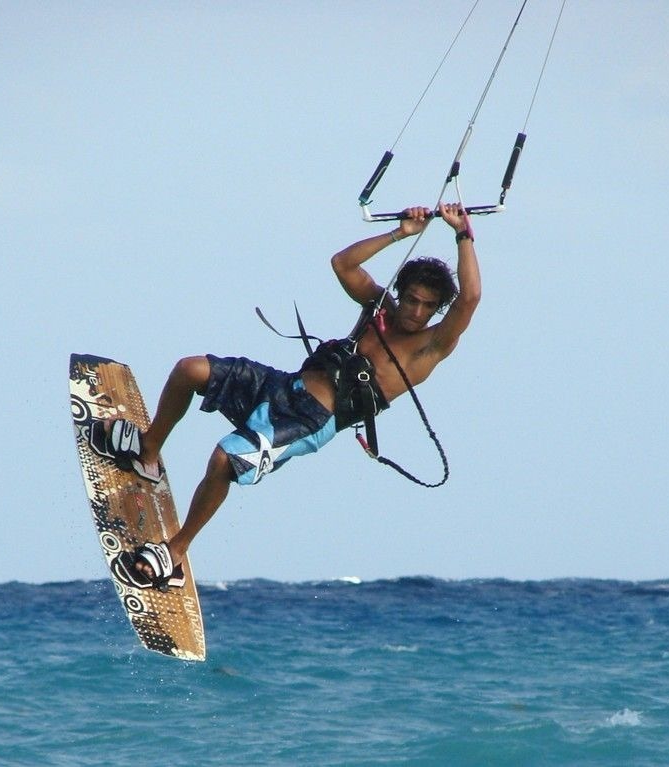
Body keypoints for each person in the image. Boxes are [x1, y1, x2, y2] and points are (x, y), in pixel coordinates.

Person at [101, 202, 481, 590]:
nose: (416, 311)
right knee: (189, 370)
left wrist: (462, 233)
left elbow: (469, 300)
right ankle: (148, 452)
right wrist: (399, 233)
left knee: (223, 459)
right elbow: (342, 264)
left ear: (437, 310)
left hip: (309, 422)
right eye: (412, 299)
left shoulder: (429, 346)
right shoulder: (379, 307)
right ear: (401, 291)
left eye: (428, 306)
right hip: (284, 387)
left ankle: (175, 552)